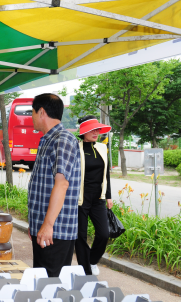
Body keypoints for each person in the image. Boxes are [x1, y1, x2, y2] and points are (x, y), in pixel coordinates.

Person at [27, 93, 81, 277]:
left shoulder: (62, 139)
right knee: (42, 284)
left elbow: (62, 184)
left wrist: (48, 225)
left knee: (51, 287)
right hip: (44, 229)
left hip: (55, 232)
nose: (31, 117)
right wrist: (36, 226)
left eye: (32, 112)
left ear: (41, 112)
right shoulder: (48, 139)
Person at [75, 115, 113, 276]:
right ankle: (85, 270)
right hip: (81, 199)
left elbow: (106, 175)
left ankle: (91, 261)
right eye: (93, 129)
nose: (96, 132)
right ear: (84, 132)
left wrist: (108, 195)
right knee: (81, 235)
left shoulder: (102, 148)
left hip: (99, 198)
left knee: (104, 234)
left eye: (98, 129)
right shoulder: (76, 149)